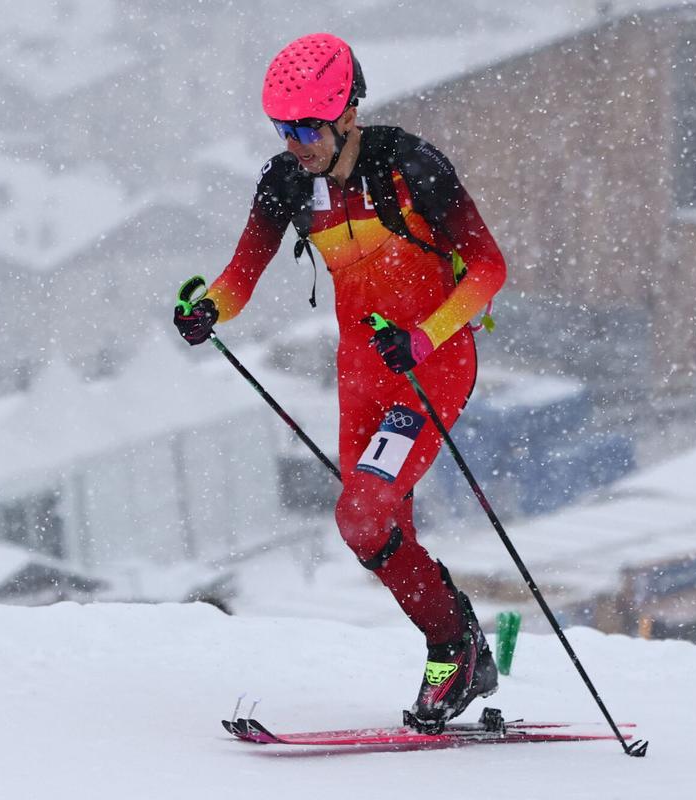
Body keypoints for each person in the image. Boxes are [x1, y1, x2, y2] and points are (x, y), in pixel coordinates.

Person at [174, 32, 507, 729]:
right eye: (282, 128)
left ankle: (454, 646)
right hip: (360, 371)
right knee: (370, 531)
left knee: (360, 510)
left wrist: (421, 338)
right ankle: (458, 649)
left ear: (348, 114)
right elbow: (240, 277)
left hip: (430, 365)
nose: (295, 143)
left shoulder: (413, 168)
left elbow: (488, 271)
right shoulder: (287, 183)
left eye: (307, 128)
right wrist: (208, 308)